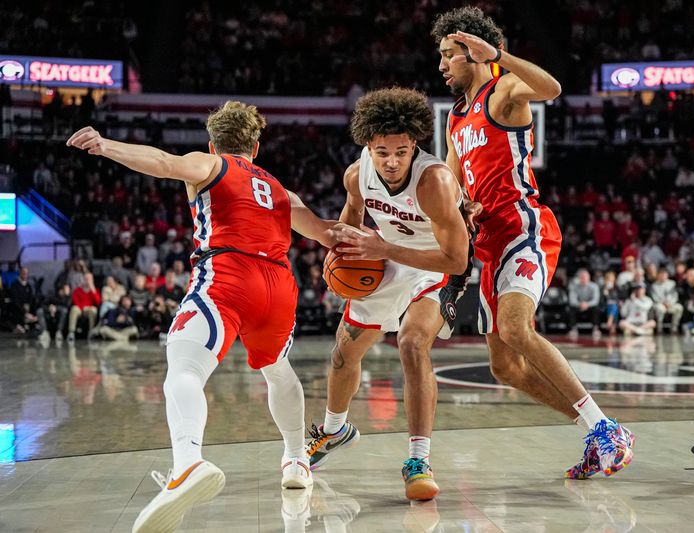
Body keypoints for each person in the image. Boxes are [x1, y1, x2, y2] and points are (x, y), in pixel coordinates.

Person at [67, 100, 344, 531]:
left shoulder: (211, 164)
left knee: (183, 364)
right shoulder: (279, 189)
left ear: (214, 144)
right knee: (277, 369)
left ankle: (188, 464)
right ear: (256, 145)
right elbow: (328, 233)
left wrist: (105, 145)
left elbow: (161, 162)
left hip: (230, 274)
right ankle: (295, 461)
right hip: (278, 286)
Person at [434, 6, 633, 481]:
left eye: (448, 55)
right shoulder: (455, 120)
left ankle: (604, 427)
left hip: (525, 229)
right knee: (506, 368)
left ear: (473, 53)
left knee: (517, 330)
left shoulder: (504, 91)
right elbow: (455, 185)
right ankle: (594, 429)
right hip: (487, 243)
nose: (441, 65)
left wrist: (499, 56)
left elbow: (552, 89)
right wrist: (462, 208)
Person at [305, 87, 470, 501]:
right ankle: (333, 430)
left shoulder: (435, 181)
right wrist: (342, 252)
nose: (392, 161)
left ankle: (418, 459)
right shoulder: (355, 174)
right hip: (388, 259)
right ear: (368, 147)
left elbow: (457, 260)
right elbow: (353, 218)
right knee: (343, 353)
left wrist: (383, 248)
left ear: (414, 144)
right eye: (382, 152)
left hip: (434, 263)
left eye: (400, 151)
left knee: (412, 342)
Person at [567, 269, 601, 338]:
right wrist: (580, 304)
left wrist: (587, 304)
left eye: (585, 277)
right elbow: (572, 300)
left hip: (590, 306)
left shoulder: (594, 286)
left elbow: (595, 300)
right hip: (579, 306)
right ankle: (573, 329)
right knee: (571, 308)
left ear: (589, 278)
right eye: (582, 277)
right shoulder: (574, 287)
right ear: (579, 278)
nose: (583, 279)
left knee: (596, 308)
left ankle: (596, 329)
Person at [67, 272, 101, 342]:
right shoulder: (77, 290)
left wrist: (92, 289)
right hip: (80, 308)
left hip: (89, 309)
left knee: (93, 310)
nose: (87, 280)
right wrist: (82, 308)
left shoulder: (95, 290)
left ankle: (91, 332)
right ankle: (71, 332)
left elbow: (98, 302)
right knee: (74, 309)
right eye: (85, 279)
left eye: (89, 279)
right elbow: (75, 301)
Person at [650, 268, 683, 333]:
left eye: (664, 274)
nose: (663, 276)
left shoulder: (672, 283)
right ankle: (660, 328)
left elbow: (675, 296)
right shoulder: (654, 285)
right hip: (660, 304)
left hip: (671, 304)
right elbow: (655, 297)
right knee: (660, 309)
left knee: (679, 308)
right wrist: (663, 303)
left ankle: (674, 328)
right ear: (658, 275)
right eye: (661, 275)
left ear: (667, 275)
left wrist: (671, 303)